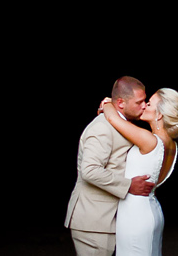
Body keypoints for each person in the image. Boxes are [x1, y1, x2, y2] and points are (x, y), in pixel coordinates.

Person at [65, 77, 158, 255]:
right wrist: (129, 185)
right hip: (94, 222)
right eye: (139, 102)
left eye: (145, 101)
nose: (144, 105)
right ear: (121, 103)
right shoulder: (101, 128)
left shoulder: (120, 123)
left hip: (108, 220)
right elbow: (90, 170)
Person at [97, 86, 178, 256]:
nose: (144, 106)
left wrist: (108, 103)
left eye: (150, 104)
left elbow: (113, 120)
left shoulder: (149, 140)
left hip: (135, 214)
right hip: (152, 209)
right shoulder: (172, 145)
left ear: (159, 114)